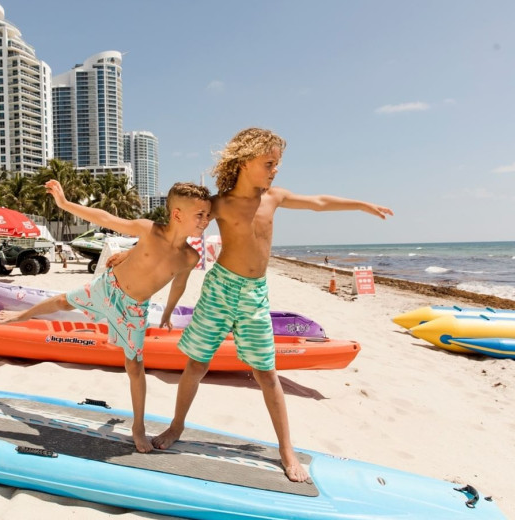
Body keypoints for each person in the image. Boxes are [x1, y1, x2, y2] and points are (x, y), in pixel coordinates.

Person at [150, 127, 393, 482]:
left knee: (266, 373)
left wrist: (360, 204)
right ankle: (176, 427)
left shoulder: (273, 198)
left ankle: (286, 450)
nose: (275, 170)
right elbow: (173, 229)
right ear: (246, 162)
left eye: (277, 164)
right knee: (196, 365)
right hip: (219, 290)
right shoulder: (219, 204)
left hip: (254, 295)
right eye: (269, 163)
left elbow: (318, 202)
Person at [0, 179, 212, 453]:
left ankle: (138, 427)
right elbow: (106, 217)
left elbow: (179, 284)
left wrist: (169, 311)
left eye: (207, 215)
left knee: (134, 366)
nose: (206, 221)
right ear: (177, 214)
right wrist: (64, 204)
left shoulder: (190, 257)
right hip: (108, 288)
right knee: (63, 301)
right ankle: (22, 315)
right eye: (200, 215)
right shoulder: (148, 229)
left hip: (134, 309)